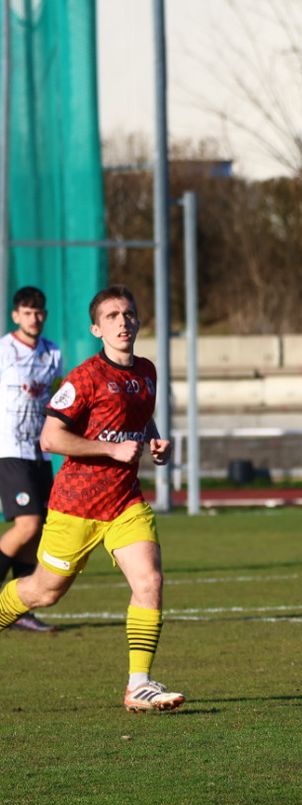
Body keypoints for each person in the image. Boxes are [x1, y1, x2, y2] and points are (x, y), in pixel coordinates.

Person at [0, 285, 185, 712]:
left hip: (125, 503)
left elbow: (139, 418)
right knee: (44, 592)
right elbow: (51, 437)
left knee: (150, 581)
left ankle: (139, 684)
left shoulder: (147, 372)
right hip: (75, 506)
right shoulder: (84, 377)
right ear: (96, 328)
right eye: (113, 316)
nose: (123, 322)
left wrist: (156, 443)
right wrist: (109, 449)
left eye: (129, 314)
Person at [0, 286, 63, 633]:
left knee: (38, 530)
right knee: (27, 523)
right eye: (27, 312)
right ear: (15, 315)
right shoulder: (3, 350)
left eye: (39, 312)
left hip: (40, 450)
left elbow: (56, 396)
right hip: (8, 448)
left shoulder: (52, 353)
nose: (34, 318)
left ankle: (20, 609)